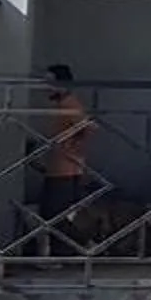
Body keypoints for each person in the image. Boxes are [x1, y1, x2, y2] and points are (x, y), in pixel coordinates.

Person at [32, 63, 98, 246]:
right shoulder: (60, 104)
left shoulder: (69, 104)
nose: (47, 87)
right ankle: (73, 247)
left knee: (54, 213)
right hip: (57, 166)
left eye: (50, 82)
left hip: (66, 169)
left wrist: (75, 149)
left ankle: (83, 244)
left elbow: (89, 128)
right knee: (51, 213)